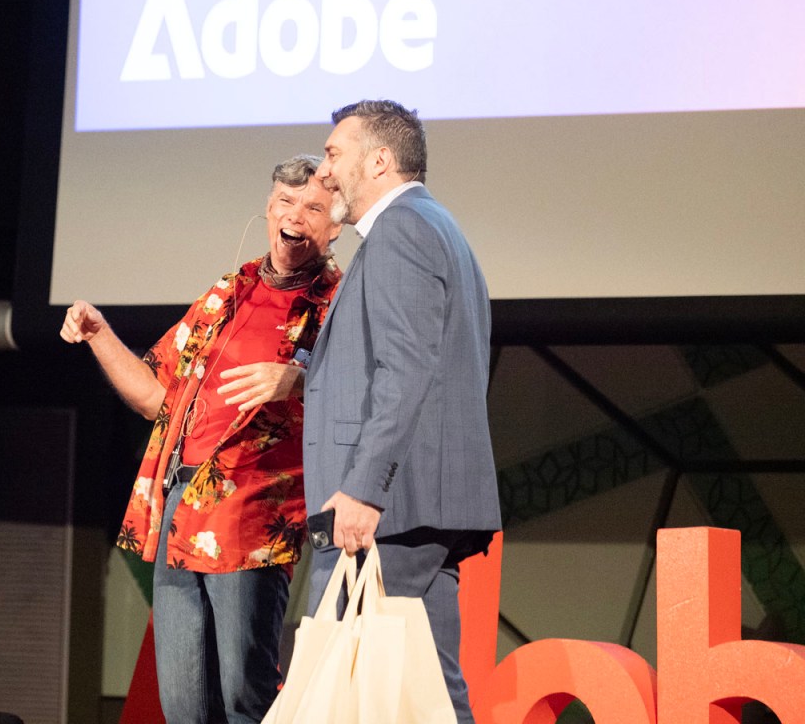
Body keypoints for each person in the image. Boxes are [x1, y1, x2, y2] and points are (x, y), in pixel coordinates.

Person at [59, 155, 342, 724]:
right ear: (268, 210)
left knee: (243, 696)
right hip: (179, 507)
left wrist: (301, 380)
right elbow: (155, 398)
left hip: (252, 514)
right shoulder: (229, 292)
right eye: (286, 202)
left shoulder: (336, 302)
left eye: (314, 208)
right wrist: (100, 335)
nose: (295, 216)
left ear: (336, 226)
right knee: (184, 704)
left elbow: (371, 388)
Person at [303, 100, 501, 724]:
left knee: (334, 683)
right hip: (421, 507)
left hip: (390, 510)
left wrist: (365, 488)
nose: (323, 171)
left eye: (334, 154)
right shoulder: (436, 226)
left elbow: (407, 368)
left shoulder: (401, 231)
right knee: (429, 692)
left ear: (379, 161)